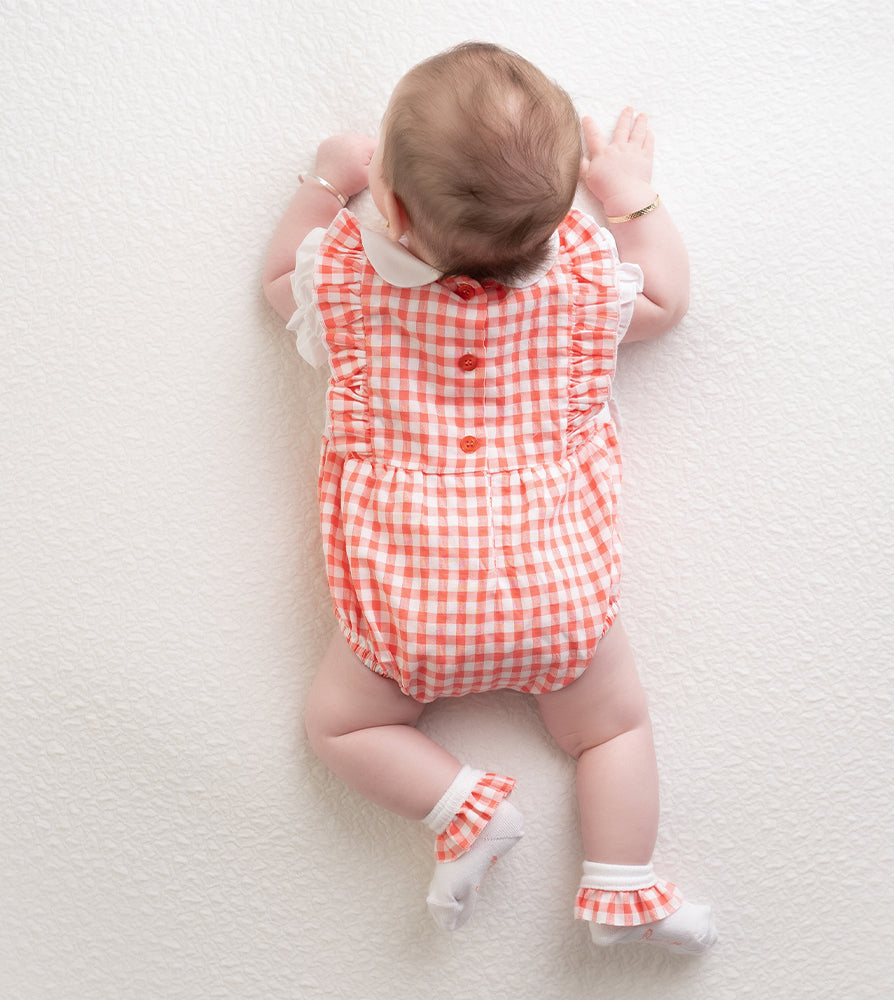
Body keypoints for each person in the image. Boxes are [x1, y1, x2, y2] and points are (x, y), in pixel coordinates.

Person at [262, 42, 716, 952]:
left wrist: (321, 182)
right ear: (554, 219)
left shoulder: (346, 283)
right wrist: (631, 197)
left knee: (340, 726)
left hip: (405, 603)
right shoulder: (584, 283)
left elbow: (276, 280)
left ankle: (460, 804)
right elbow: (666, 298)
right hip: (558, 592)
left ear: (387, 202)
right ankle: (621, 885)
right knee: (612, 729)